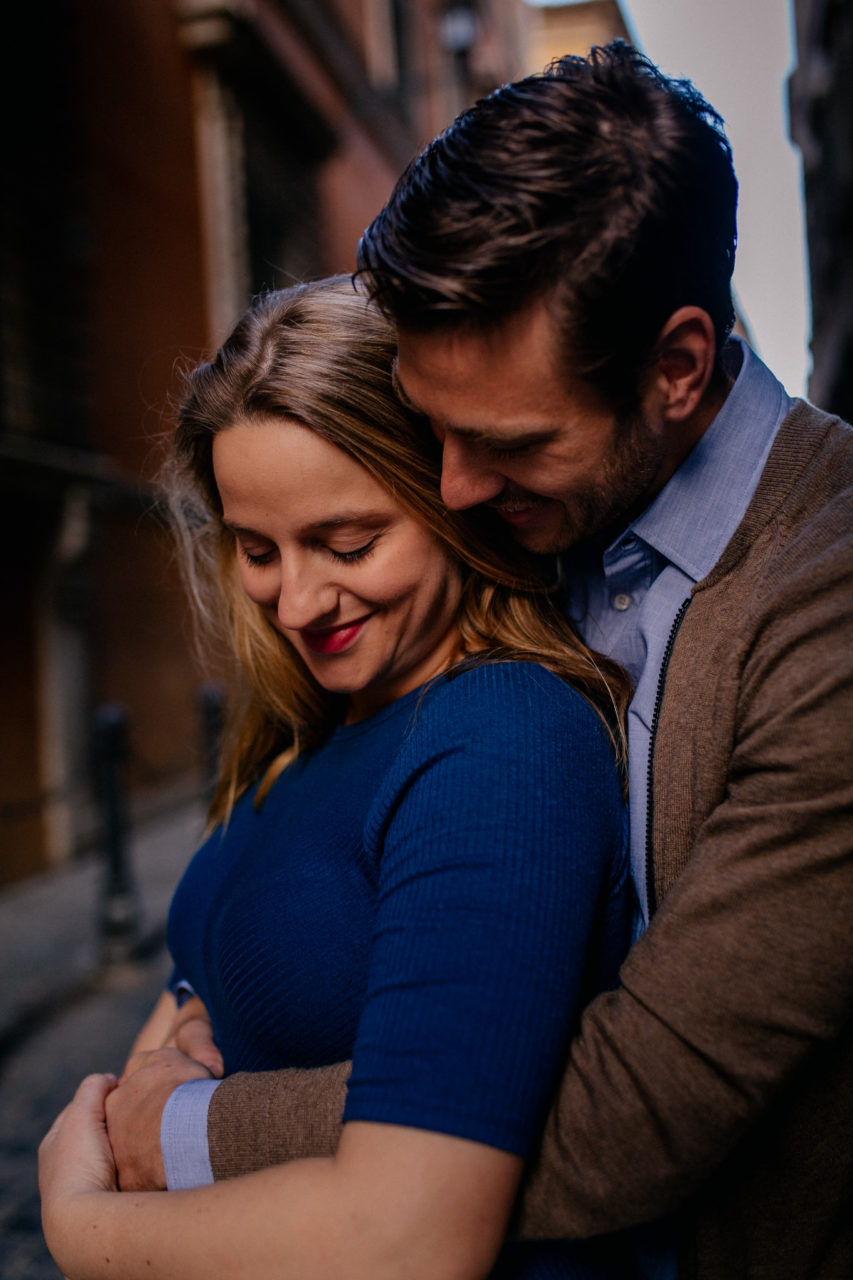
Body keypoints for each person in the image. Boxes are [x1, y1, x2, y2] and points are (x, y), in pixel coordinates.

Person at [97, 41, 853, 1280]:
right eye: (427, 431)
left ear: (676, 369)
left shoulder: (821, 604)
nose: (452, 488)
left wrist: (178, 1138)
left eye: (499, 443)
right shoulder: (530, 528)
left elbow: (640, 1105)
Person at [39, 275, 636, 1279]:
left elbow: (413, 1235)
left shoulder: (501, 736)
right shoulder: (310, 724)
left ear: (450, 497)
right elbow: (230, 970)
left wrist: (79, 1225)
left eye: (347, 541)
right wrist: (182, 1030)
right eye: (257, 549)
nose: (299, 599)